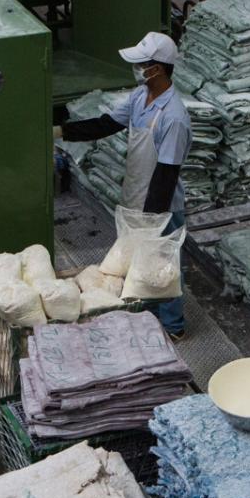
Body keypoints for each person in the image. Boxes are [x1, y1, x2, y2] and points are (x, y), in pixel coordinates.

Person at [57, 32, 192, 340]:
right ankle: (149, 315)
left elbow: (167, 174)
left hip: (161, 206)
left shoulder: (173, 118)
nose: (136, 69)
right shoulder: (139, 97)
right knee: (140, 265)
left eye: (140, 64)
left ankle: (173, 327)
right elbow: (105, 124)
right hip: (136, 196)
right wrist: (60, 131)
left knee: (163, 267)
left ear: (156, 69)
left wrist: (149, 221)